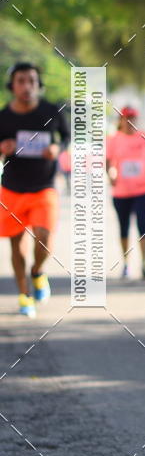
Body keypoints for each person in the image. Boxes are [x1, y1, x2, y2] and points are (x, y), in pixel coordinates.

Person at [0, 62, 68, 317]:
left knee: (45, 238)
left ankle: (38, 272)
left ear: (38, 85)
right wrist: (2, 148)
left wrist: (57, 150)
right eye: (21, 81)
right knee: (17, 247)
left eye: (31, 80)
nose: (27, 86)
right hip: (13, 189)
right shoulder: (3, 117)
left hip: (44, 187)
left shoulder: (51, 111)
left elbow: (66, 137)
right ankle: (24, 295)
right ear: (12, 86)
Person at [106, 106, 145, 280]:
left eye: (133, 118)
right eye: (126, 118)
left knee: (142, 227)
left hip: (143, 190)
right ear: (121, 121)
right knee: (124, 228)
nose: (130, 122)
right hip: (121, 192)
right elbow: (108, 163)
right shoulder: (113, 140)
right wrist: (110, 175)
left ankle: (144, 264)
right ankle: (125, 264)